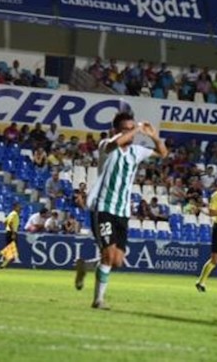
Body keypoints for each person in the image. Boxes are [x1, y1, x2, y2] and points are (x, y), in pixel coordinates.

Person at [74, 112, 168, 309]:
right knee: (108, 255)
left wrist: (153, 136)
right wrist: (137, 129)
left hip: (122, 211)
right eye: (126, 129)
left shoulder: (136, 151)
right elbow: (115, 143)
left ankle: (85, 266)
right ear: (115, 131)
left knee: (116, 261)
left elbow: (163, 153)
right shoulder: (106, 146)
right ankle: (98, 300)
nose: (131, 133)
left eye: (132, 129)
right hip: (103, 208)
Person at [0, 203, 21, 269]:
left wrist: (7, 229)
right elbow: (10, 223)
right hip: (12, 233)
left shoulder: (10, 214)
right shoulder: (14, 214)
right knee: (13, 250)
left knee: (10, 249)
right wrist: (13, 233)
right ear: (15, 207)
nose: (20, 209)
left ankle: (3, 264)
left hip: (9, 232)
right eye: (18, 207)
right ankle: (0, 254)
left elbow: (5, 222)